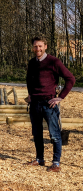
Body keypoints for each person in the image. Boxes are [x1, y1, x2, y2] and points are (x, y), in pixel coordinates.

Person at [26, 36, 75, 172]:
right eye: (35, 46)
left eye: (40, 46)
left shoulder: (54, 62)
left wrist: (60, 97)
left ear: (45, 46)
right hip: (35, 104)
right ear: (33, 47)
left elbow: (71, 79)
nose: (38, 49)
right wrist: (30, 94)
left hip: (49, 104)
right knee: (37, 133)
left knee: (54, 134)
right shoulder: (32, 63)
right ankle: (40, 159)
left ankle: (56, 163)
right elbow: (29, 80)